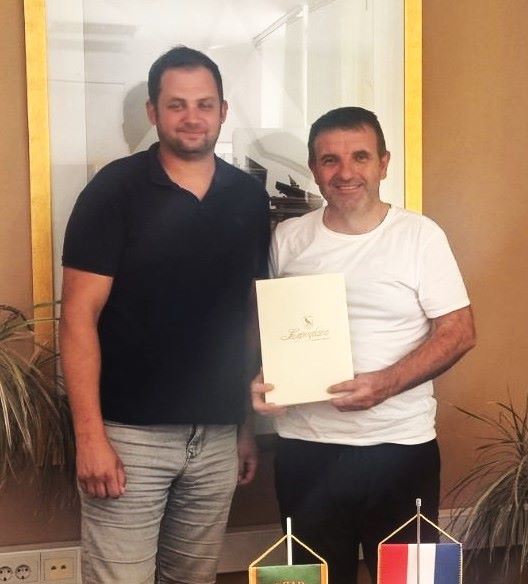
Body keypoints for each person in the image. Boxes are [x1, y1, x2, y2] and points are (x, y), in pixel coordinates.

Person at [59, 46, 270, 584]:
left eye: (204, 104)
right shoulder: (114, 190)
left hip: (217, 436)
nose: (192, 117)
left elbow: (247, 318)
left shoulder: (248, 197)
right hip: (129, 437)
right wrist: (90, 437)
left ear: (223, 111)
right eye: (177, 105)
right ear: (153, 112)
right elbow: (78, 317)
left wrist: (244, 427)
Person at [251, 107, 475, 584]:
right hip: (305, 451)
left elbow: (459, 331)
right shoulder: (288, 238)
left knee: (413, 581)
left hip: (401, 449)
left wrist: (387, 383)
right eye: (330, 160)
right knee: (308, 581)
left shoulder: (419, 235)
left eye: (360, 156)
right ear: (314, 169)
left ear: (383, 164)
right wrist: (266, 378)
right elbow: (276, 331)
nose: (345, 172)